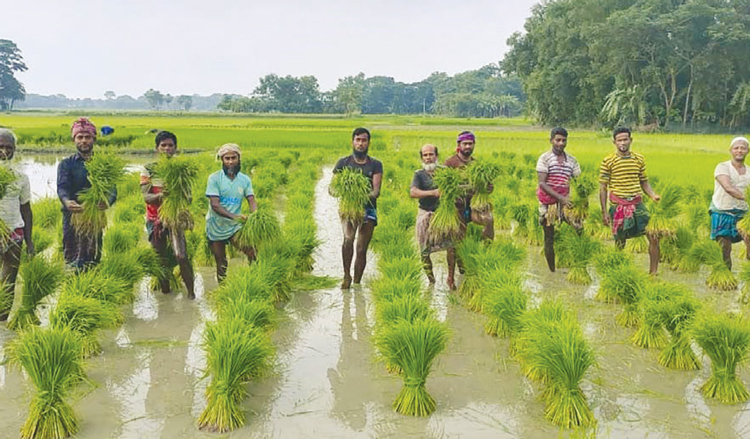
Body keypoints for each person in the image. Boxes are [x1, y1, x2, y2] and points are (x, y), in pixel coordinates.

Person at [141, 131, 196, 299]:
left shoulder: (181, 169)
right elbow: (146, 197)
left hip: (175, 219)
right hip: (154, 219)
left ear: (176, 148)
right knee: (160, 259)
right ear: (157, 148)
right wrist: (162, 195)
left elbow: (189, 198)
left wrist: (178, 193)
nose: (167, 149)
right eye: (163, 145)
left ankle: (192, 295)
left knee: (181, 256)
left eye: (170, 145)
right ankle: (166, 293)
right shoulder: (149, 169)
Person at [57, 117, 117, 270]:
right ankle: (74, 289)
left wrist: (107, 201)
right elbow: (62, 187)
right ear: (74, 139)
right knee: (72, 256)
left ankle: (90, 286)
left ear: (94, 139)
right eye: (80, 137)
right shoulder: (66, 164)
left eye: (88, 137)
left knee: (93, 254)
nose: (84, 141)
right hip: (72, 216)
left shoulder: (103, 163)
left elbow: (112, 189)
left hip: (94, 215)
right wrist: (67, 201)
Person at [599, 127, 661, 274]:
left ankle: (653, 272)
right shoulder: (608, 161)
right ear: (614, 142)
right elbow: (603, 187)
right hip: (618, 205)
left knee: (653, 235)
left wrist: (653, 195)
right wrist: (604, 212)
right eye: (619, 140)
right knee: (620, 241)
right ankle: (619, 271)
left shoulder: (639, 159)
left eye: (625, 139)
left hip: (637, 203)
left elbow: (644, 181)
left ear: (630, 140)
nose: (622, 143)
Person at [332, 127, 383, 289]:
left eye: (364, 140)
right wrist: (345, 191)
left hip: (368, 209)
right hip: (348, 209)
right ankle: (346, 276)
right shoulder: (343, 163)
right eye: (358, 140)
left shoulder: (375, 164)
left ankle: (357, 283)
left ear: (368, 143)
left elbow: (376, 191)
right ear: (353, 142)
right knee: (348, 240)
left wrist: (359, 194)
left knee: (361, 248)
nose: (361, 143)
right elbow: (331, 188)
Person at [444, 131, 494, 290]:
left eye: (470, 143)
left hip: (472, 206)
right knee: (454, 243)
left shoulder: (476, 164)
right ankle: (451, 276)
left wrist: (488, 187)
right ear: (458, 145)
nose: (468, 146)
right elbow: (445, 187)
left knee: (489, 220)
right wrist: (466, 187)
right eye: (465, 144)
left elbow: (484, 187)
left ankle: (484, 252)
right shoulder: (450, 163)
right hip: (456, 208)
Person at [205, 143, 257, 283]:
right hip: (216, 226)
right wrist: (235, 216)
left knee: (252, 252)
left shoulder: (245, 179)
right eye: (227, 158)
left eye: (233, 158)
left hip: (235, 227)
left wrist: (255, 216)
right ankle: (223, 289)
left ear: (239, 158)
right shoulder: (214, 178)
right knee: (221, 261)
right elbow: (215, 205)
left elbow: (251, 199)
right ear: (222, 160)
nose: (230, 162)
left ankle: (254, 281)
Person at [537, 127, 581, 272]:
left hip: (565, 201)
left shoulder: (572, 161)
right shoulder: (545, 158)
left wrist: (581, 200)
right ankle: (552, 271)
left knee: (578, 228)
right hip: (547, 202)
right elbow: (542, 183)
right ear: (551, 141)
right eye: (558, 140)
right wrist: (560, 199)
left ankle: (576, 262)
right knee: (549, 236)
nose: (561, 143)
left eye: (564, 140)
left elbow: (578, 181)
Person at [0, 129, 33, 321]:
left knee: (9, 280)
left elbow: (26, 209)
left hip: (14, 233)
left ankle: (2, 319)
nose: (4, 151)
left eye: (9, 148)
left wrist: (29, 242)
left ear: (14, 150)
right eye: (0, 147)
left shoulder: (20, 177)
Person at [709, 136, 750, 269]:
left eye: (743, 148)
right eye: (736, 148)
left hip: (743, 213)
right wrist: (747, 197)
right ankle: (725, 275)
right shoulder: (722, 167)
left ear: (748, 151)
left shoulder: (749, 171)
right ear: (731, 150)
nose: (739, 150)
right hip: (722, 211)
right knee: (724, 250)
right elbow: (728, 187)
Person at [410, 144, 446, 284]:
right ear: (422, 158)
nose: (428, 158)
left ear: (436, 156)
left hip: (443, 214)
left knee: (453, 247)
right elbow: (413, 192)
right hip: (425, 214)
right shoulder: (418, 174)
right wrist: (433, 192)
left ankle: (451, 277)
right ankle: (431, 281)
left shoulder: (445, 171)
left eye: (431, 154)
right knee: (424, 250)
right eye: (425, 155)